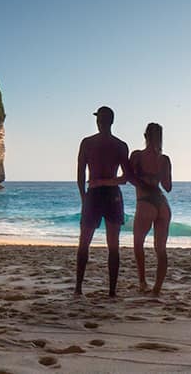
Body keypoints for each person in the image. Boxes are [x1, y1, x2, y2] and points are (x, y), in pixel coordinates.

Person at [75, 105, 133, 297]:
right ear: (112, 122)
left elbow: (81, 174)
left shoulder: (87, 143)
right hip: (112, 194)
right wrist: (107, 182)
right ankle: (111, 291)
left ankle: (79, 288)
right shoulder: (120, 145)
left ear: (99, 121)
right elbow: (125, 178)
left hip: (96, 193)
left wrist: (85, 196)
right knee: (112, 244)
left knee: (85, 242)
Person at [129, 122, 173, 296]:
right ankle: (157, 289)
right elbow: (168, 187)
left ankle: (142, 282)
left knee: (138, 243)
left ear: (145, 136)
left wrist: (143, 181)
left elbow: (129, 178)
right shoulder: (164, 159)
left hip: (145, 201)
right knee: (160, 249)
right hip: (162, 204)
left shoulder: (137, 156)